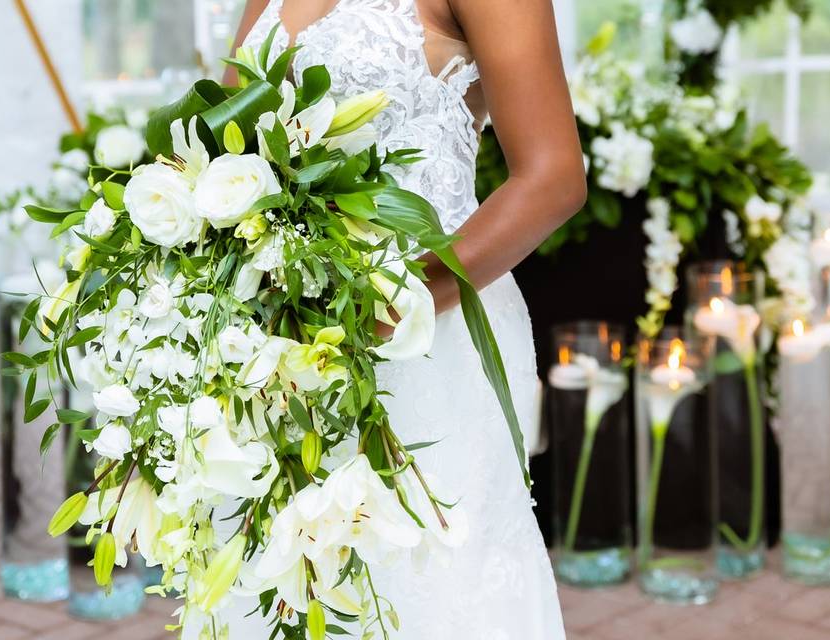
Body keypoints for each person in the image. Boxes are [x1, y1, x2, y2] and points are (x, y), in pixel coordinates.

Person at [225, 1, 585, 637]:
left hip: (424, 343)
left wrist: (391, 300)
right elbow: (225, 149)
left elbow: (554, 176)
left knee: (423, 593)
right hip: (279, 353)